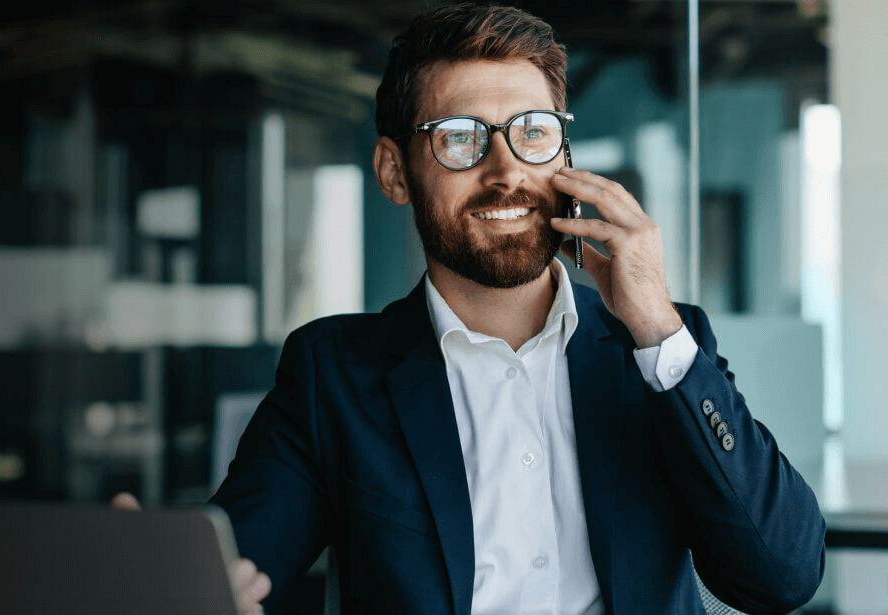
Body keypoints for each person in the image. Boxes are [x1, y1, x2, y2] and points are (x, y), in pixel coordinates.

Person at [119, 3, 825, 614]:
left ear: (565, 152)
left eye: (533, 131)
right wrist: (165, 574)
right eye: (459, 138)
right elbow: (239, 570)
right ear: (395, 172)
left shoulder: (662, 351)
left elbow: (782, 575)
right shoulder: (334, 373)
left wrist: (658, 333)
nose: (507, 169)